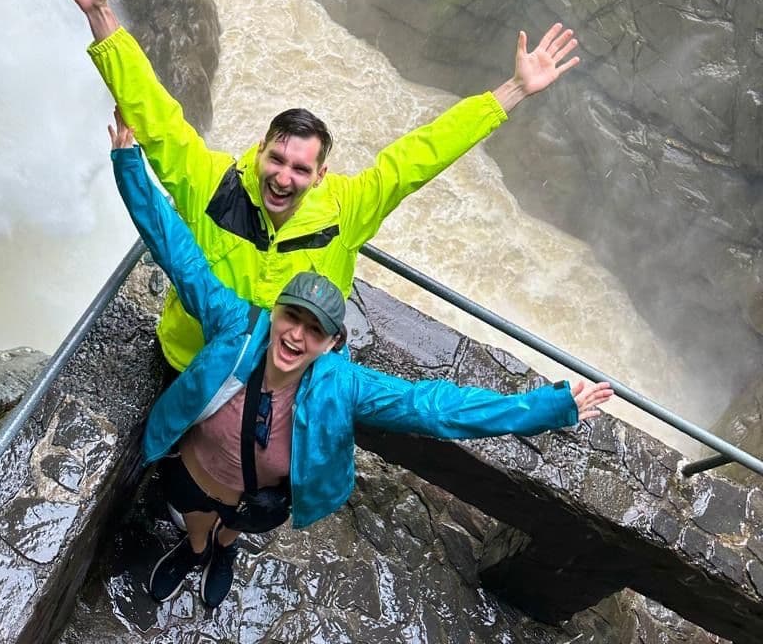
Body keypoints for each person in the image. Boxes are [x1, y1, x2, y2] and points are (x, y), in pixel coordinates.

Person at [107, 111, 613, 610]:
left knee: (234, 524)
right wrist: (130, 164)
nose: (296, 336)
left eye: (314, 330)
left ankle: (222, 548)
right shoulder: (234, 325)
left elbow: (435, 408)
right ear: (272, 311)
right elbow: (177, 251)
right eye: (291, 317)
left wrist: (550, 408)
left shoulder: (341, 385)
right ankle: (195, 547)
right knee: (194, 513)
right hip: (197, 472)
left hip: (259, 498)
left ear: (331, 344)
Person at [55, 0, 580, 374]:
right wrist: (100, 12)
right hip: (191, 362)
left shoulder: (348, 208)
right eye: (277, 160)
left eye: (300, 169)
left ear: (322, 173)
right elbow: (156, 115)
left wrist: (510, 92)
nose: (283, 177)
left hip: (278, 383)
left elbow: (421, 155)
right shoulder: (210, 181)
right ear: (259, 152)